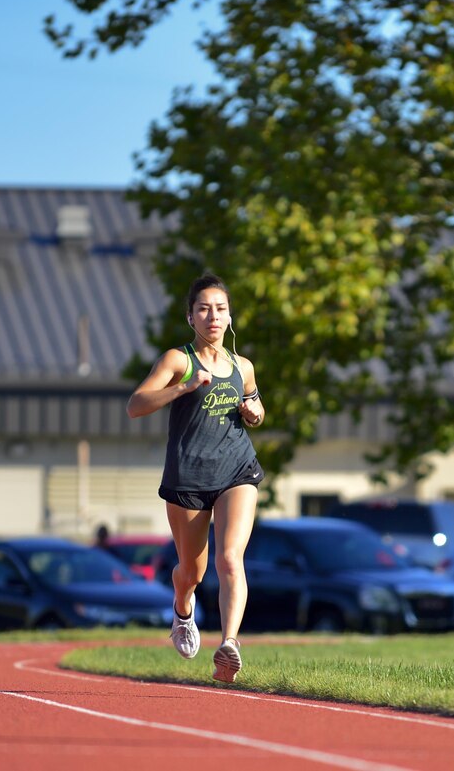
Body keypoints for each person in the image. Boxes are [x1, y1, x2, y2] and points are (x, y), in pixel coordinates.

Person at [126, 273, 265, 683]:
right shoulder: (178, 360)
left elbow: (254, 405)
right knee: (192, 570)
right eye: (204, 309)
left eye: (220, 309)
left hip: (237, 469)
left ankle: (229, 644)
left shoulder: (243, 366)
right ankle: (182, 609)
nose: (213, 316)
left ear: (229, 316)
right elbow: (136, 405)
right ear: (191, 317)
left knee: (230, 558)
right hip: (189, 477)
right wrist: (184, 387)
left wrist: (255, 413)